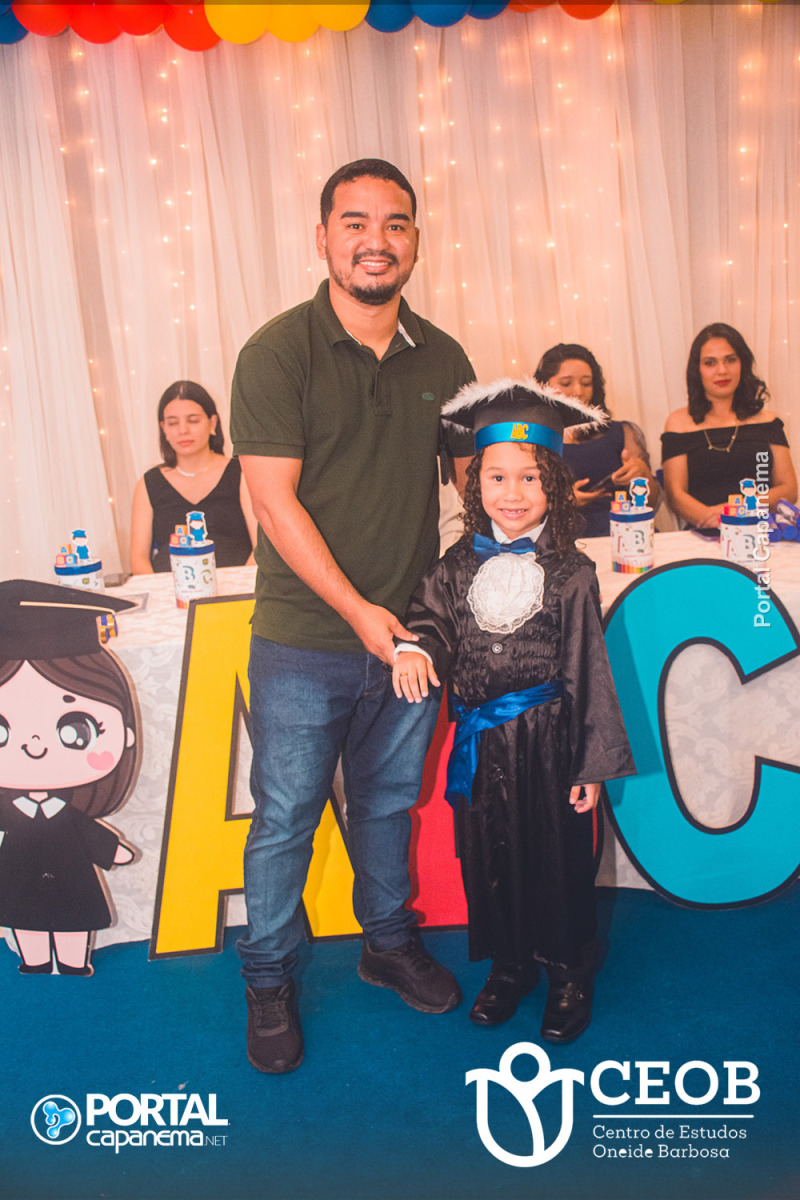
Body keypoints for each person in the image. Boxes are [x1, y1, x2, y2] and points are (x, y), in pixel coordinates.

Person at [229, 159, 476, 1074]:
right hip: (303, 638)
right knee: (287, 816)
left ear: (416, 240)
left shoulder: (445, 359)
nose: (377, 241)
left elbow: (473, 489)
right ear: (323, 237)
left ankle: (387, 943)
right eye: (356, 222)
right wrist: (360, 612)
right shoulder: (276, 352)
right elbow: (272, 502)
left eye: (396, 223)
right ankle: (267, 979)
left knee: (387, 802)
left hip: (409, 639)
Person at [392, 380, 635, 1041]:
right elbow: (432, 624)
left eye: (530, 478)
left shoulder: (573, 573)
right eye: (497, 477)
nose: (513, 492)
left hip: (549, 743)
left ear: (553, 484)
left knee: (555, 858)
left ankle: (568, 972)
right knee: (489, 856)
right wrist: (416, 650)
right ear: (475, 484)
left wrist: (590, 765)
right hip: (481, 742)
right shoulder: (454, 566)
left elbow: (588, 666)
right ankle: (509, 966)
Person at [0, 580, 139, 976]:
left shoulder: (70, 814)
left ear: (125, 734)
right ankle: (35, 959)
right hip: (18, 879)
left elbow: (89, 834)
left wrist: (113, 851)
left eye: (75, 731)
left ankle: (74, 961)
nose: (35, 747)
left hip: (72, 880)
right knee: (23, 917)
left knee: (75, 918)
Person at [661, 323, 797, 528]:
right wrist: (716, 520)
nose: (722, 371)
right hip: (705, 531)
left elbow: (789, 489)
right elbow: (676, 496)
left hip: (762, 531)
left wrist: (738, 510)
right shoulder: (678, 423)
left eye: (730, 360)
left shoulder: (767, 421)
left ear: (743, 364)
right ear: (697, 370)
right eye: (710, 363)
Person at [130, 381, 257, 573]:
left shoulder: (242, 473)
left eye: (193, 420)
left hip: (236, 585)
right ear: (164, 429)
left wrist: (237, 585)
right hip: (168, 588)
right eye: (173, 423)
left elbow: (261, 548)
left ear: (212, 423)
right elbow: (138, 559)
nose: (183, 430)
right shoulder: (148, 484)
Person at [534, 344, 660, 536]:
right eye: (566, 383)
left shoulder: (621, 432)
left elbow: (651, 503)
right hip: (562, 538)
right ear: (543, 386)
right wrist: (562, 502)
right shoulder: (532, 439)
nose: (578, 391)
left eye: (586, 383)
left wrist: (642, 472)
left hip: (625, 532)